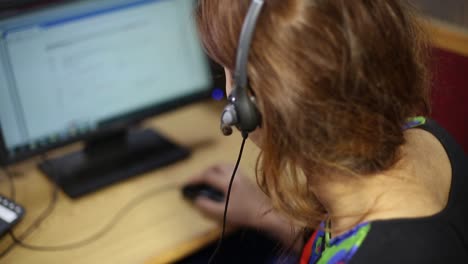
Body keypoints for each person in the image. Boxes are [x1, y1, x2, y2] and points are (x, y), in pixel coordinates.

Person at [186, 0, 468, 263]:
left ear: (260, 103)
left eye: (230, 71)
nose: (229, 93)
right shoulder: (422, 133)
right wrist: (265, 215)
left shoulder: (391, 254)